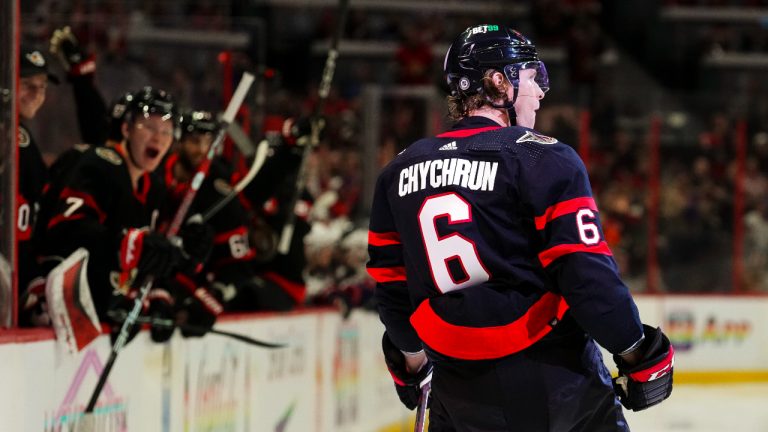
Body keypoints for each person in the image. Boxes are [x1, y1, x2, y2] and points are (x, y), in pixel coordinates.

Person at [367, 24, 674, 431]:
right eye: (531, 77)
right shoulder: (542, 158)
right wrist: (637, 350)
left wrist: (411, 360)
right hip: (549, 374)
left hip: (454, 387)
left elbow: (392, 289)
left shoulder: (398, 170)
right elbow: (586, 275)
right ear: (499, 81)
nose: (541, 92)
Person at [37, 87, 211, 343]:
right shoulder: (99, 163)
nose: (159, 138)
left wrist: (161, 291)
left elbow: (148, 260)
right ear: (127, 129)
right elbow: (65, 231)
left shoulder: (153, 187)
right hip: (52, 309)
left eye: (165, 131)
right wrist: (130, 246)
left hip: (95, 320)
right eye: (149, 128)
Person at [17, 45, 59, 325]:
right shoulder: (11, 136)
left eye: (41, 86)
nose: (37, 94)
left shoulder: (20, 136)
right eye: (26, 85)